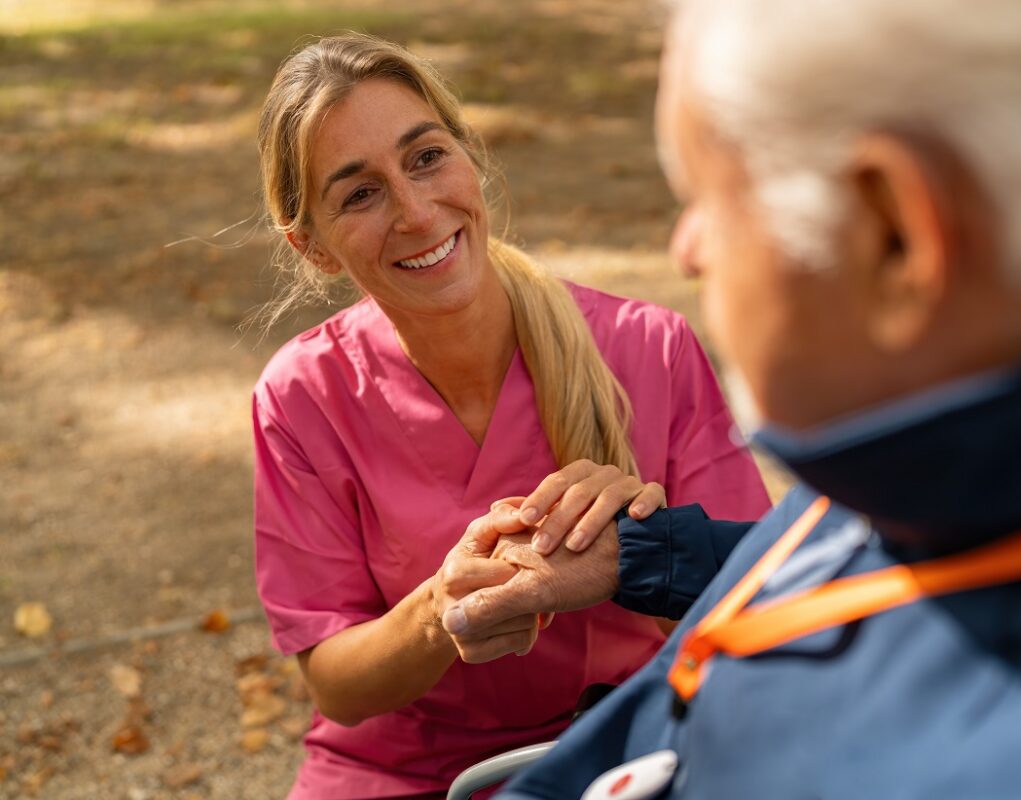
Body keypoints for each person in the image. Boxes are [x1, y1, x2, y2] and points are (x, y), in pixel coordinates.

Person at [441, 1, 1021, 797]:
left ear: (896, 235)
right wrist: (636, 555)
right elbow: (877, 570)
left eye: (708, 197)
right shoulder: (961, 420)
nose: (686, 250)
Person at [250, 33, 771, 799]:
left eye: (426, 157)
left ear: (468, 153)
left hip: (630, 744)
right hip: (401, 774)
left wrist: (639, 549)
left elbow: (759, 618)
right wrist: (439, 610)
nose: (416, 210)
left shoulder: (649, 348)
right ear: (313, 246)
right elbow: (336, 683)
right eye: (360, 193)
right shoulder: (302, 396)